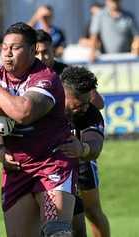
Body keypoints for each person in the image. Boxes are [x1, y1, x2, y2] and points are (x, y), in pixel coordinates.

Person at [0, 22, 77, 237]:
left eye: (15, 48)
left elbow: (23, 113)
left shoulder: (46, 78)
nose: (7, 54)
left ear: (32, 49)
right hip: (18, 170)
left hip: (52, 163)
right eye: (5, 47)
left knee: (57, 232)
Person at [57, 66, 110, 237]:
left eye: (88, 101)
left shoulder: (90, 113)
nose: (86, 107)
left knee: (86, 219)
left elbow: (95, 146)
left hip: (75, 166)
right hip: (39, 171)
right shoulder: (41, 105)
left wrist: (83, 148)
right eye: (80, 102)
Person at [35, 29, 104, 110]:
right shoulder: (23, 74)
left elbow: (99, 103)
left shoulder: (69, 73)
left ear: (52, 49)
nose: (41, 58)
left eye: (45, 52)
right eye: (36, 53)